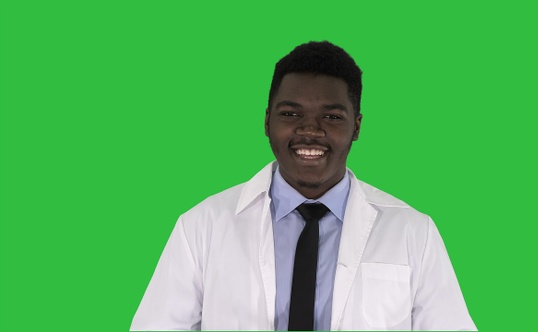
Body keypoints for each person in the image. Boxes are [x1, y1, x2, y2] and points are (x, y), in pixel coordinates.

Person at [130, 41, 477, 331]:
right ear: (267, 121)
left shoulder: (412, 232)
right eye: (291, 114)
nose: (310, 131)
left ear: (356, 127)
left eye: (332, 116)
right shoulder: (201, 227)